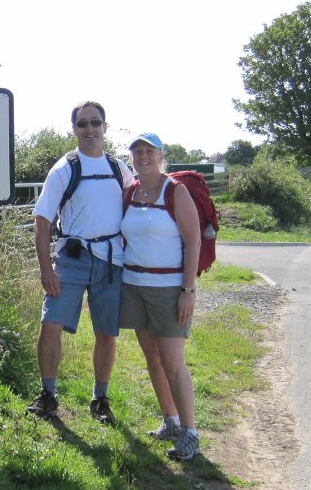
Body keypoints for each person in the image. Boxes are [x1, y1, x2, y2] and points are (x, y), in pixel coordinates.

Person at [26, 101, 134, 425]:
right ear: (73, 129)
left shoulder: (119, 170)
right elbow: (42, 221)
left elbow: (138, 209)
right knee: (51, 325)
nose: (90, 129)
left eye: (95, 123)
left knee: (106, 333)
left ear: (105, 127)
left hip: (111, 260)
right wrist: (46, 269)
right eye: (83, 124)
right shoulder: (64, 169)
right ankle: (48, 396)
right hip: (71, 259)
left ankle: (100, 399)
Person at [119, 132, 202, 460]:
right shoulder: (130, 192)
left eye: (149, 151)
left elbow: (193, 241)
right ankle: (170, 420)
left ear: (160, 156)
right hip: (134, 285)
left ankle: (191, 433)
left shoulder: (175, 191)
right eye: (137, 151)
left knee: (171, 359)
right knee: (152, 356)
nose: (142, 156)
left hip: (169, 289)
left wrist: (188, 290)